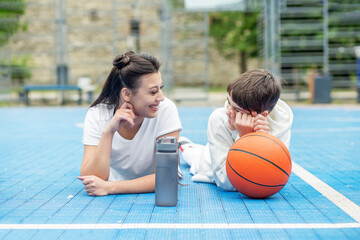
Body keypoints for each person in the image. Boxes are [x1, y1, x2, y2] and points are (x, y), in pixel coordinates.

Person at [78, 51, 182, 196]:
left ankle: (189, 149)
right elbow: (91, 178)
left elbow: (165, 178)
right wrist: (109, 132)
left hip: (116, 185)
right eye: (153, 92)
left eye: (160, 89)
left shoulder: (166, 110)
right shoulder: (98, 114)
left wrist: (110, 188)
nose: (161, 98)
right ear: (126, 94)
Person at [180, 69, 293, 191]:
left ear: (263, 115)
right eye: (229, 102)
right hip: (209, 163)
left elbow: (268, 175)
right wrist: (245, 138)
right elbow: (225, 182)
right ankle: (185, 145)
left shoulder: (280, 124)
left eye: (238, 110)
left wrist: (259, 140)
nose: (229, 111)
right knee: (194, 158)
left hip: (228, 155)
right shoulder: (219, 118)